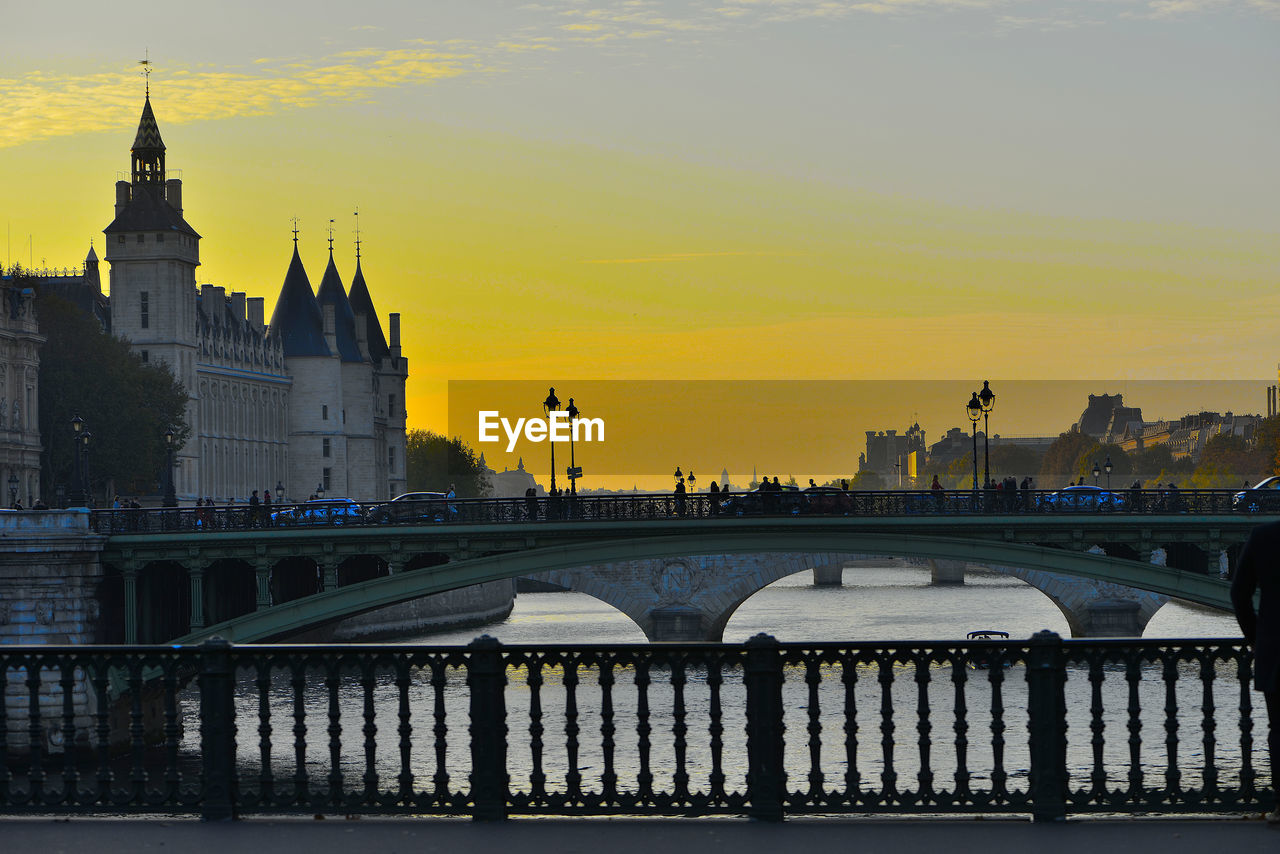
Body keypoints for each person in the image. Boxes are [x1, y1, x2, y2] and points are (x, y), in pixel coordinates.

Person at [1231, 522, 1280, 823]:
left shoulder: (1263, 536)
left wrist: (1255, 637)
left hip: (1275, 650)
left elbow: (1239, 594)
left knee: (1279, 729)